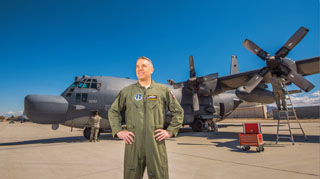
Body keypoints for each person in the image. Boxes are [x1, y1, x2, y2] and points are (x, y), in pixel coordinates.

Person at [108, 56, 184, 179]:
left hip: (155, 143)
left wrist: (170, 131)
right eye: (137, 66)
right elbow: (113, 111)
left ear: (151, 70)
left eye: (143, 66)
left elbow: (178, 112)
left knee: (159, 175)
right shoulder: (127, 92)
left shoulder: (162, 90)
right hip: (133, 143)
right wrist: (118, 131)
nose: (139, 69)